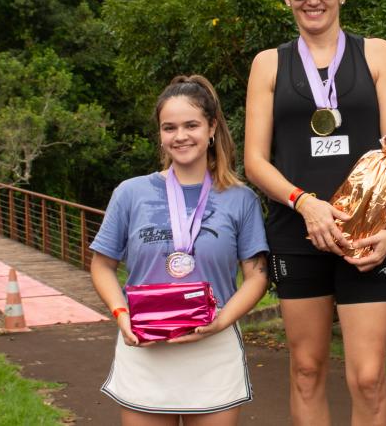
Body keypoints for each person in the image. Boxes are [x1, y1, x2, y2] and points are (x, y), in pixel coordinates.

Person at [244, 0, 386, 426]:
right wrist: (304, 204)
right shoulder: (268, 65)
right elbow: (255, 160)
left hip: (369, 236)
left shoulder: (377, 54)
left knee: (368, 377)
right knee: (306, 371)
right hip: (298, 233)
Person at [90, 75, 269, 426]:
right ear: (160, 133)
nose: (180, 136)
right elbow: (101, 265)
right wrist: (121, 315)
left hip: (213, 350)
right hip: (146, 348)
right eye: (169, 127)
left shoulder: (241, 199)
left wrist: (221, 322)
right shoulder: (130, 193)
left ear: (212, 127)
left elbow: (256, 276)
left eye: (191, 125)